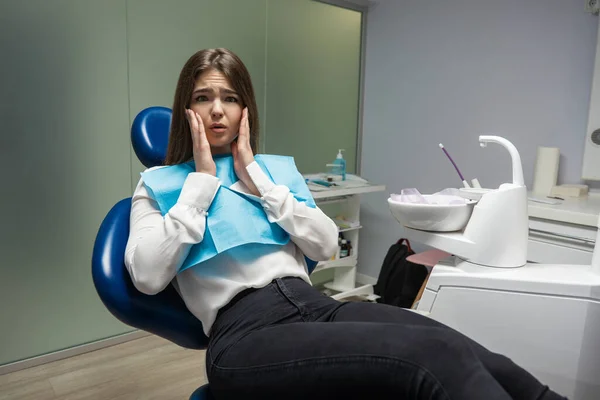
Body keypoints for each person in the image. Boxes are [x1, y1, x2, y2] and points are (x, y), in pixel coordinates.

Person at [124, 48, 564, 400]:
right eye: (204, 97)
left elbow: (324, 244)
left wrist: (257, 180)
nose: (217, 110)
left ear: (246, 111)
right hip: (244, 335)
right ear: (187, 109)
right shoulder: (159, 186)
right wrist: (199, 185)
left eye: (230, 98)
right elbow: (145, 275)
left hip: (316, 307)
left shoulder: (273, 174)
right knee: (434, 357)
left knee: (471, 350)